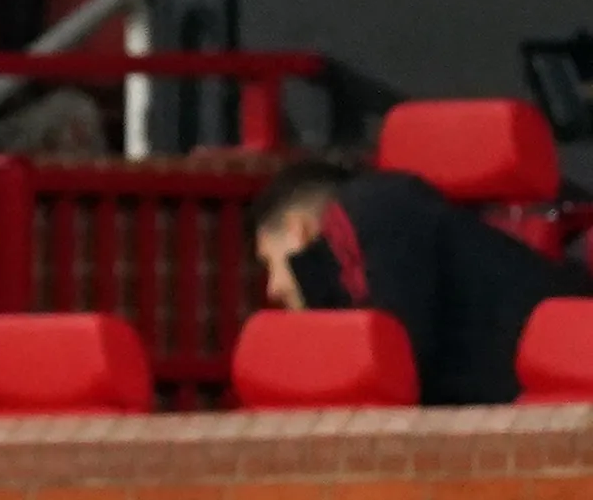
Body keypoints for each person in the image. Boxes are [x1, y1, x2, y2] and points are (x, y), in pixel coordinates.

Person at [251, 159, 593, 406]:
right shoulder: (391, 216)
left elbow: (390, 363)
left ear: (299, 231)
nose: (272, 289)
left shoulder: (368, 210)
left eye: (271, 263)